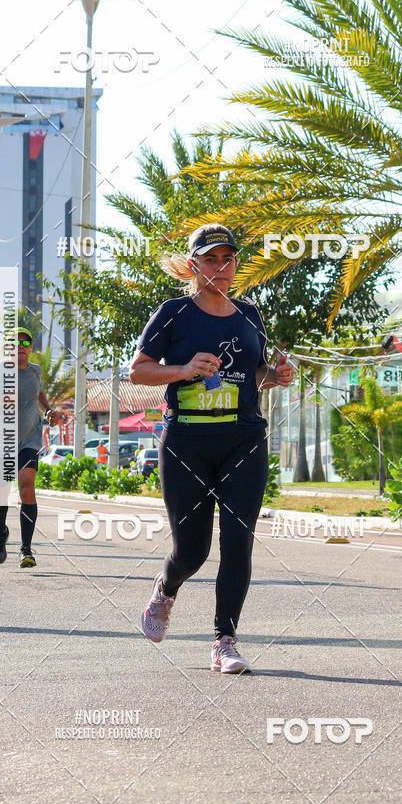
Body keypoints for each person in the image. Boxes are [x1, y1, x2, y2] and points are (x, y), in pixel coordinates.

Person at [130, 223, 294, 673]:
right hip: (187, 442)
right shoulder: (173, 313)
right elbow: (139, 372)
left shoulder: (249, 315)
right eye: (210, 259)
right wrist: (183, 369)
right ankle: (166, 588)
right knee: (192, 550)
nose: (221, 268)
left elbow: (255, 374)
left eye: (228, 259)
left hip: (243, 438)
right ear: (193, 265)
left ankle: (225, 641)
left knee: (238, 541)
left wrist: (273, 377)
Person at [0, 328, 61, 568]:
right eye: (14, 342)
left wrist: (47, 410)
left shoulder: (35, 371)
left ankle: (26, 549)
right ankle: (1, 534)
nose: (19, 346)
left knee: (27, 487)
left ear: (30, 347)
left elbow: (39, 395)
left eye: (25, 342)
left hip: (29, 440)